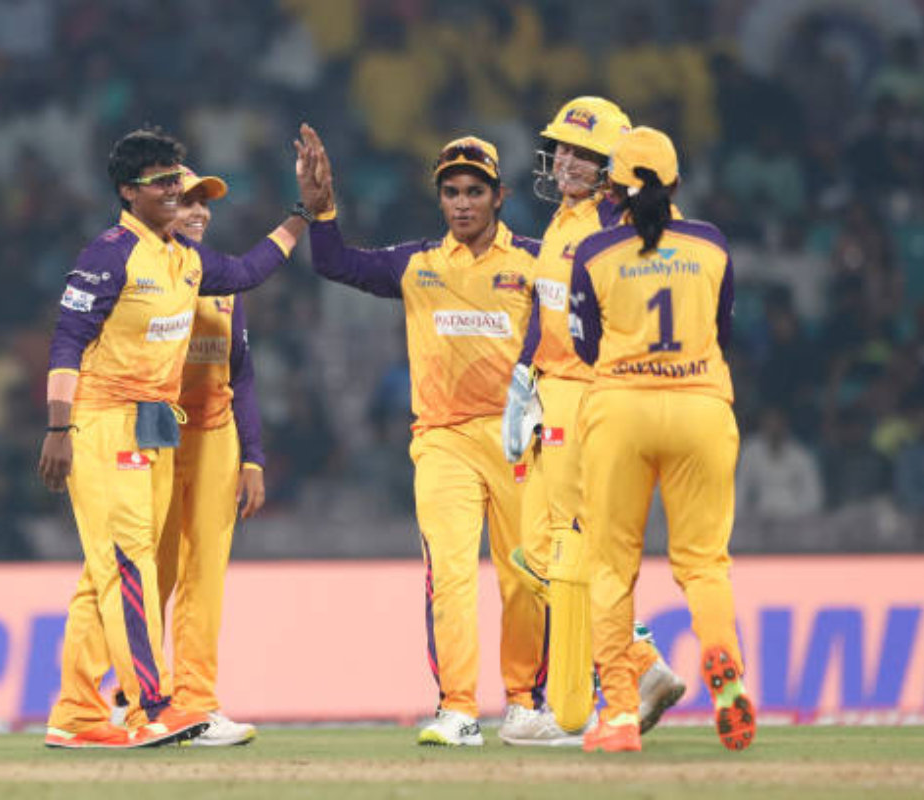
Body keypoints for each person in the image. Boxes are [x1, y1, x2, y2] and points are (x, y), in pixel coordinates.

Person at [37, 126, 330, 749]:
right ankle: (151, 707)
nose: (175, 189)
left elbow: (249, 270)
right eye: (163, 181)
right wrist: (59, 425)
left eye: (178, 178)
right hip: (104, 419)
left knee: (107, 571)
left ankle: (76, 714)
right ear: (128, 191)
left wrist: (302, 213)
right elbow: (66, 340)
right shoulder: (109, 254)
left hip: (154, 425)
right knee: (130, 564)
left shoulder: (185, 259)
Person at [299, 125, 565, 747]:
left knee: (526, 577)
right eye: (452, 192)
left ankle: (525, 707)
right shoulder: (417, 264)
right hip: (443, 440)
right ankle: (458, 709)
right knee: (449, 574)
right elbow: (334, 262)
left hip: (518, 439)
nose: (462, 203)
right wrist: (321, 211)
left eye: (475, 191)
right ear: (440, 198)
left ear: (499, 196)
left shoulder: (536, 259)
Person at [568, 127, 755, 753]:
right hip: (702, 408)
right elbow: (723, 332)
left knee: (610, 567)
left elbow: (585, 346)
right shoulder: (712, 244)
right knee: (704, 563)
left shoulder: (594, 251)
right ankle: (723, 661)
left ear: (612, 189)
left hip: (620, 412)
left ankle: (621, 716)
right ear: (675, 183)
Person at [503, 96, 684, 736]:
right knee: (535, 553)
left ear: (614, 164)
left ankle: (611, 680)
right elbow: (544, 307)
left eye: (584, 154)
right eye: (562, 149)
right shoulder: (563, 218)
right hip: (550, 391)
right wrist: (523, 377)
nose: (566, 162)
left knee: (571, 548)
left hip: (590, 396)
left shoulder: (623, 221)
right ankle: (629, 668)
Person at [150, 166, 266, 745]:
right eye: (186, 202)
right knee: (149, 572)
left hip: (216, 438)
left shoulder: (223, 283)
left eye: (204, 203)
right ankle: (137, 698)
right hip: (153, 434)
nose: (198, 212)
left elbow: (240, 373)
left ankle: (194, 704)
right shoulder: (139, 273)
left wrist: (254, 457)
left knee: (204, 578)